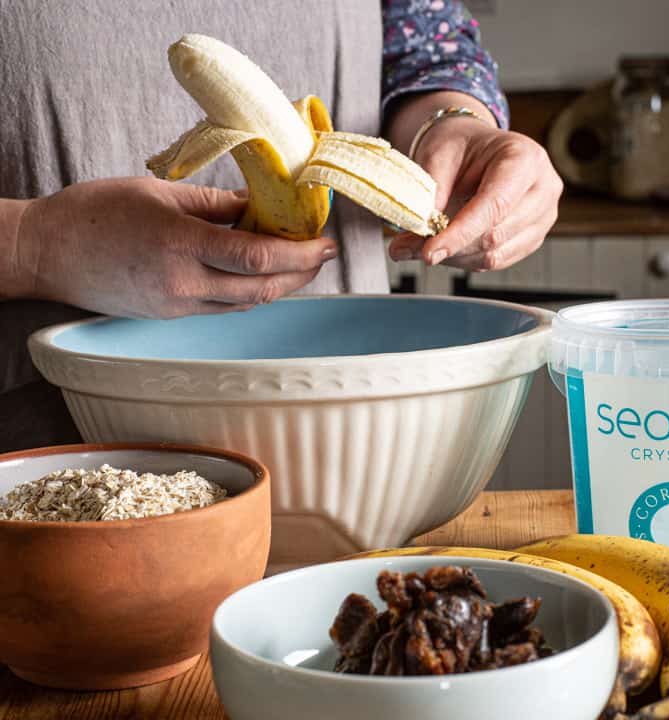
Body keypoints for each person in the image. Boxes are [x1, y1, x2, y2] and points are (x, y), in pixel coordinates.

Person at [0, 0, 562, 452]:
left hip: (350, 413)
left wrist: (453, 123)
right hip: (45, 444)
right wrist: (36, 244)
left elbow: (419, 45)